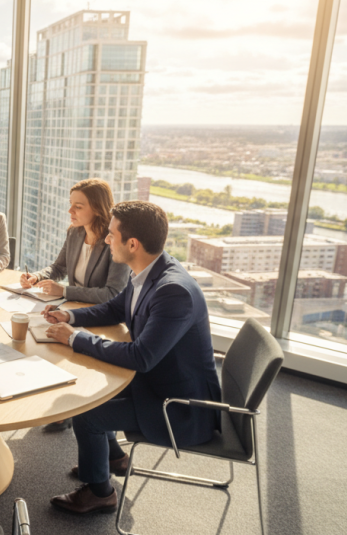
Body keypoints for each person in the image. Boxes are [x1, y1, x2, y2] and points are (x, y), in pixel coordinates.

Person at [41, 201, 221, 515]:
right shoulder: (150, 271)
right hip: (158, 383)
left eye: (111, 235)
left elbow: (141, 357)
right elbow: (114, 309)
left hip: (179, 406)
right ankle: (111, 458)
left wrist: (76, 339)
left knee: (86, 413)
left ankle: (100, 492)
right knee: (92, 388)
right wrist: (68, 317)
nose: (106, 240)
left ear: (132, 244)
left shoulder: (173, 292)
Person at [19, 178, 129, 431]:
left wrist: (66, 290)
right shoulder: (75, 233)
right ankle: (63, 407)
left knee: (58, 348)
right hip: (71, 310)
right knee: (38, 341)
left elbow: (113, 294)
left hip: (101, 318)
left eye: (78, 206)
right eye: (71, 205)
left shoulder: (114, 242)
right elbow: (58, 267)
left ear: (98, 209)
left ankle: (74, 409)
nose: (70, 212)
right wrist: (38, 276)